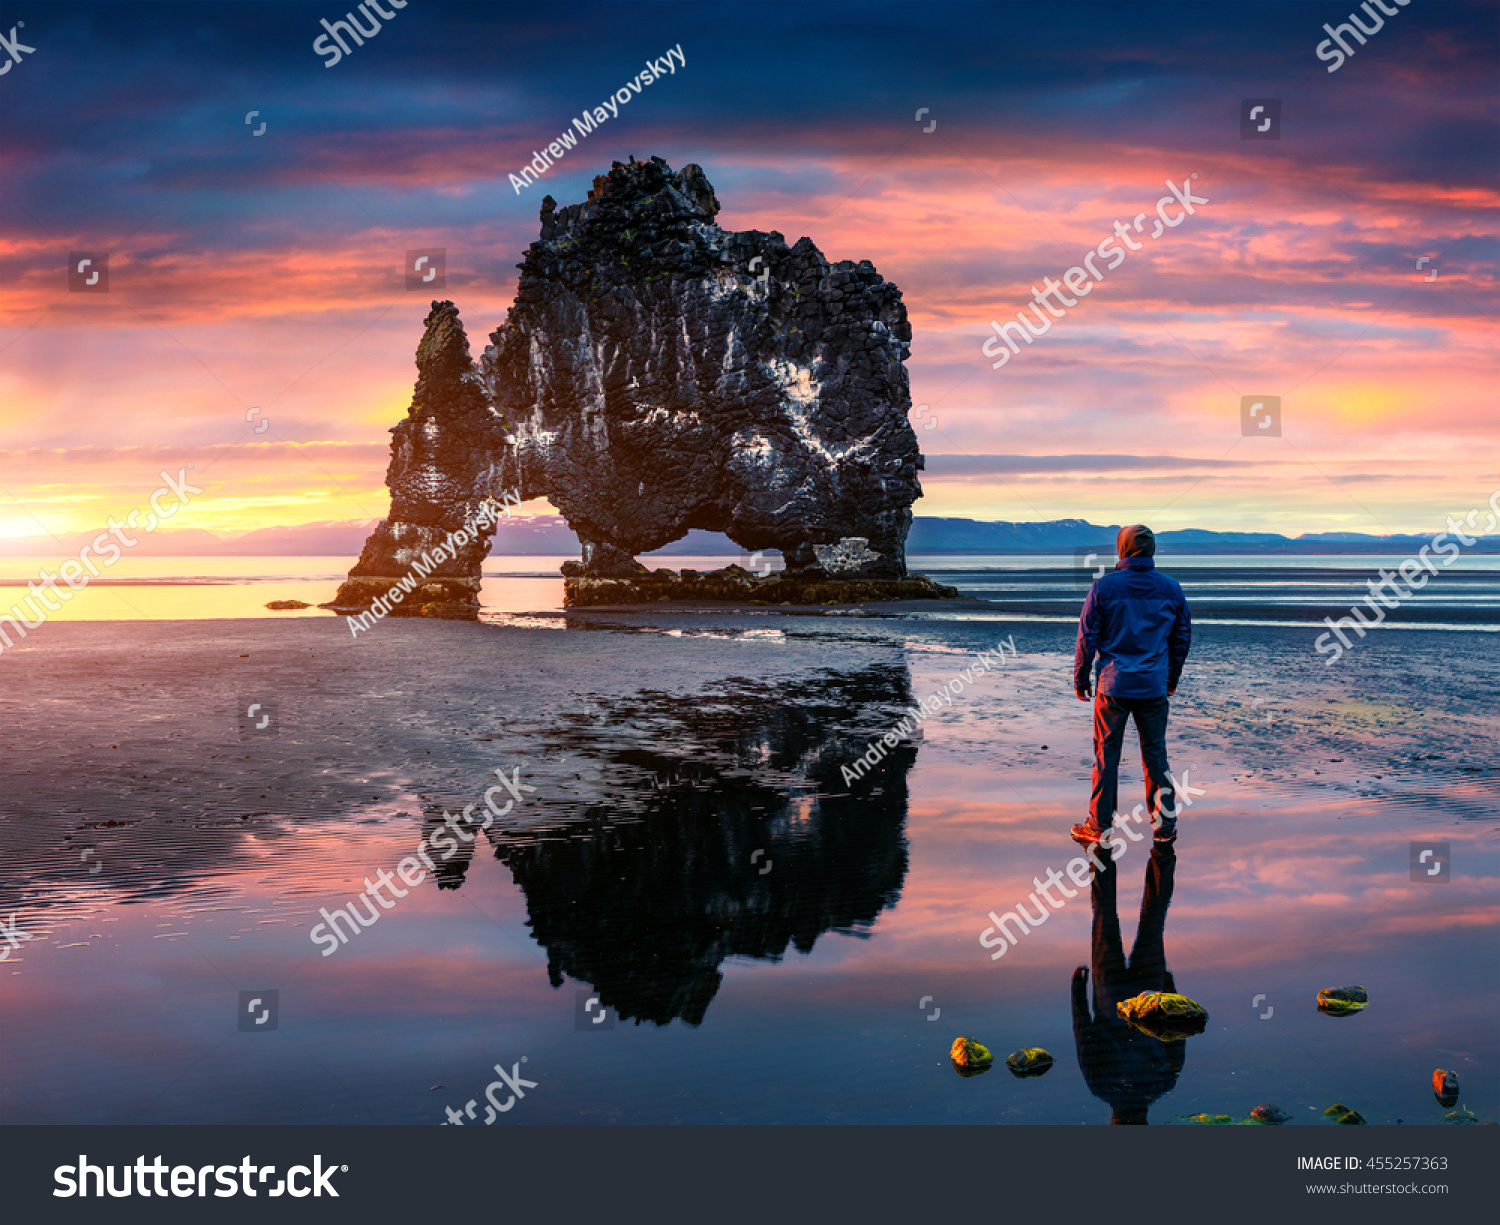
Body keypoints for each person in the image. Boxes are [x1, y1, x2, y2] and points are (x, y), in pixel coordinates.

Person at [1072, 524, 1191, 846]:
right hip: (1153, 684)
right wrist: (1171, 678)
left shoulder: (1104, 587)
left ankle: (1099, 826)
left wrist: (1081, 677)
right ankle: (1164, 826)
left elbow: (1087, 636)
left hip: (1113, 685)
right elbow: (1181, 639)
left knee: (1106, 756)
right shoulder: (1171, 588)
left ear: (1122, 548)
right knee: (1155, 756)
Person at [1071, 841, 1184, 1124]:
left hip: (1149, 990)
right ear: (1114, 1121)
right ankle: (1100, 850)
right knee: (1104, 915)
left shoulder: (1165, 1083)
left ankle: (1163, 850)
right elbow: (1084, 1037)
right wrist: (1077, 991)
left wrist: (1169, 987)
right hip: (1110, 994)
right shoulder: (1101, 1087)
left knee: (1153, 918)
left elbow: (1177, 1033)